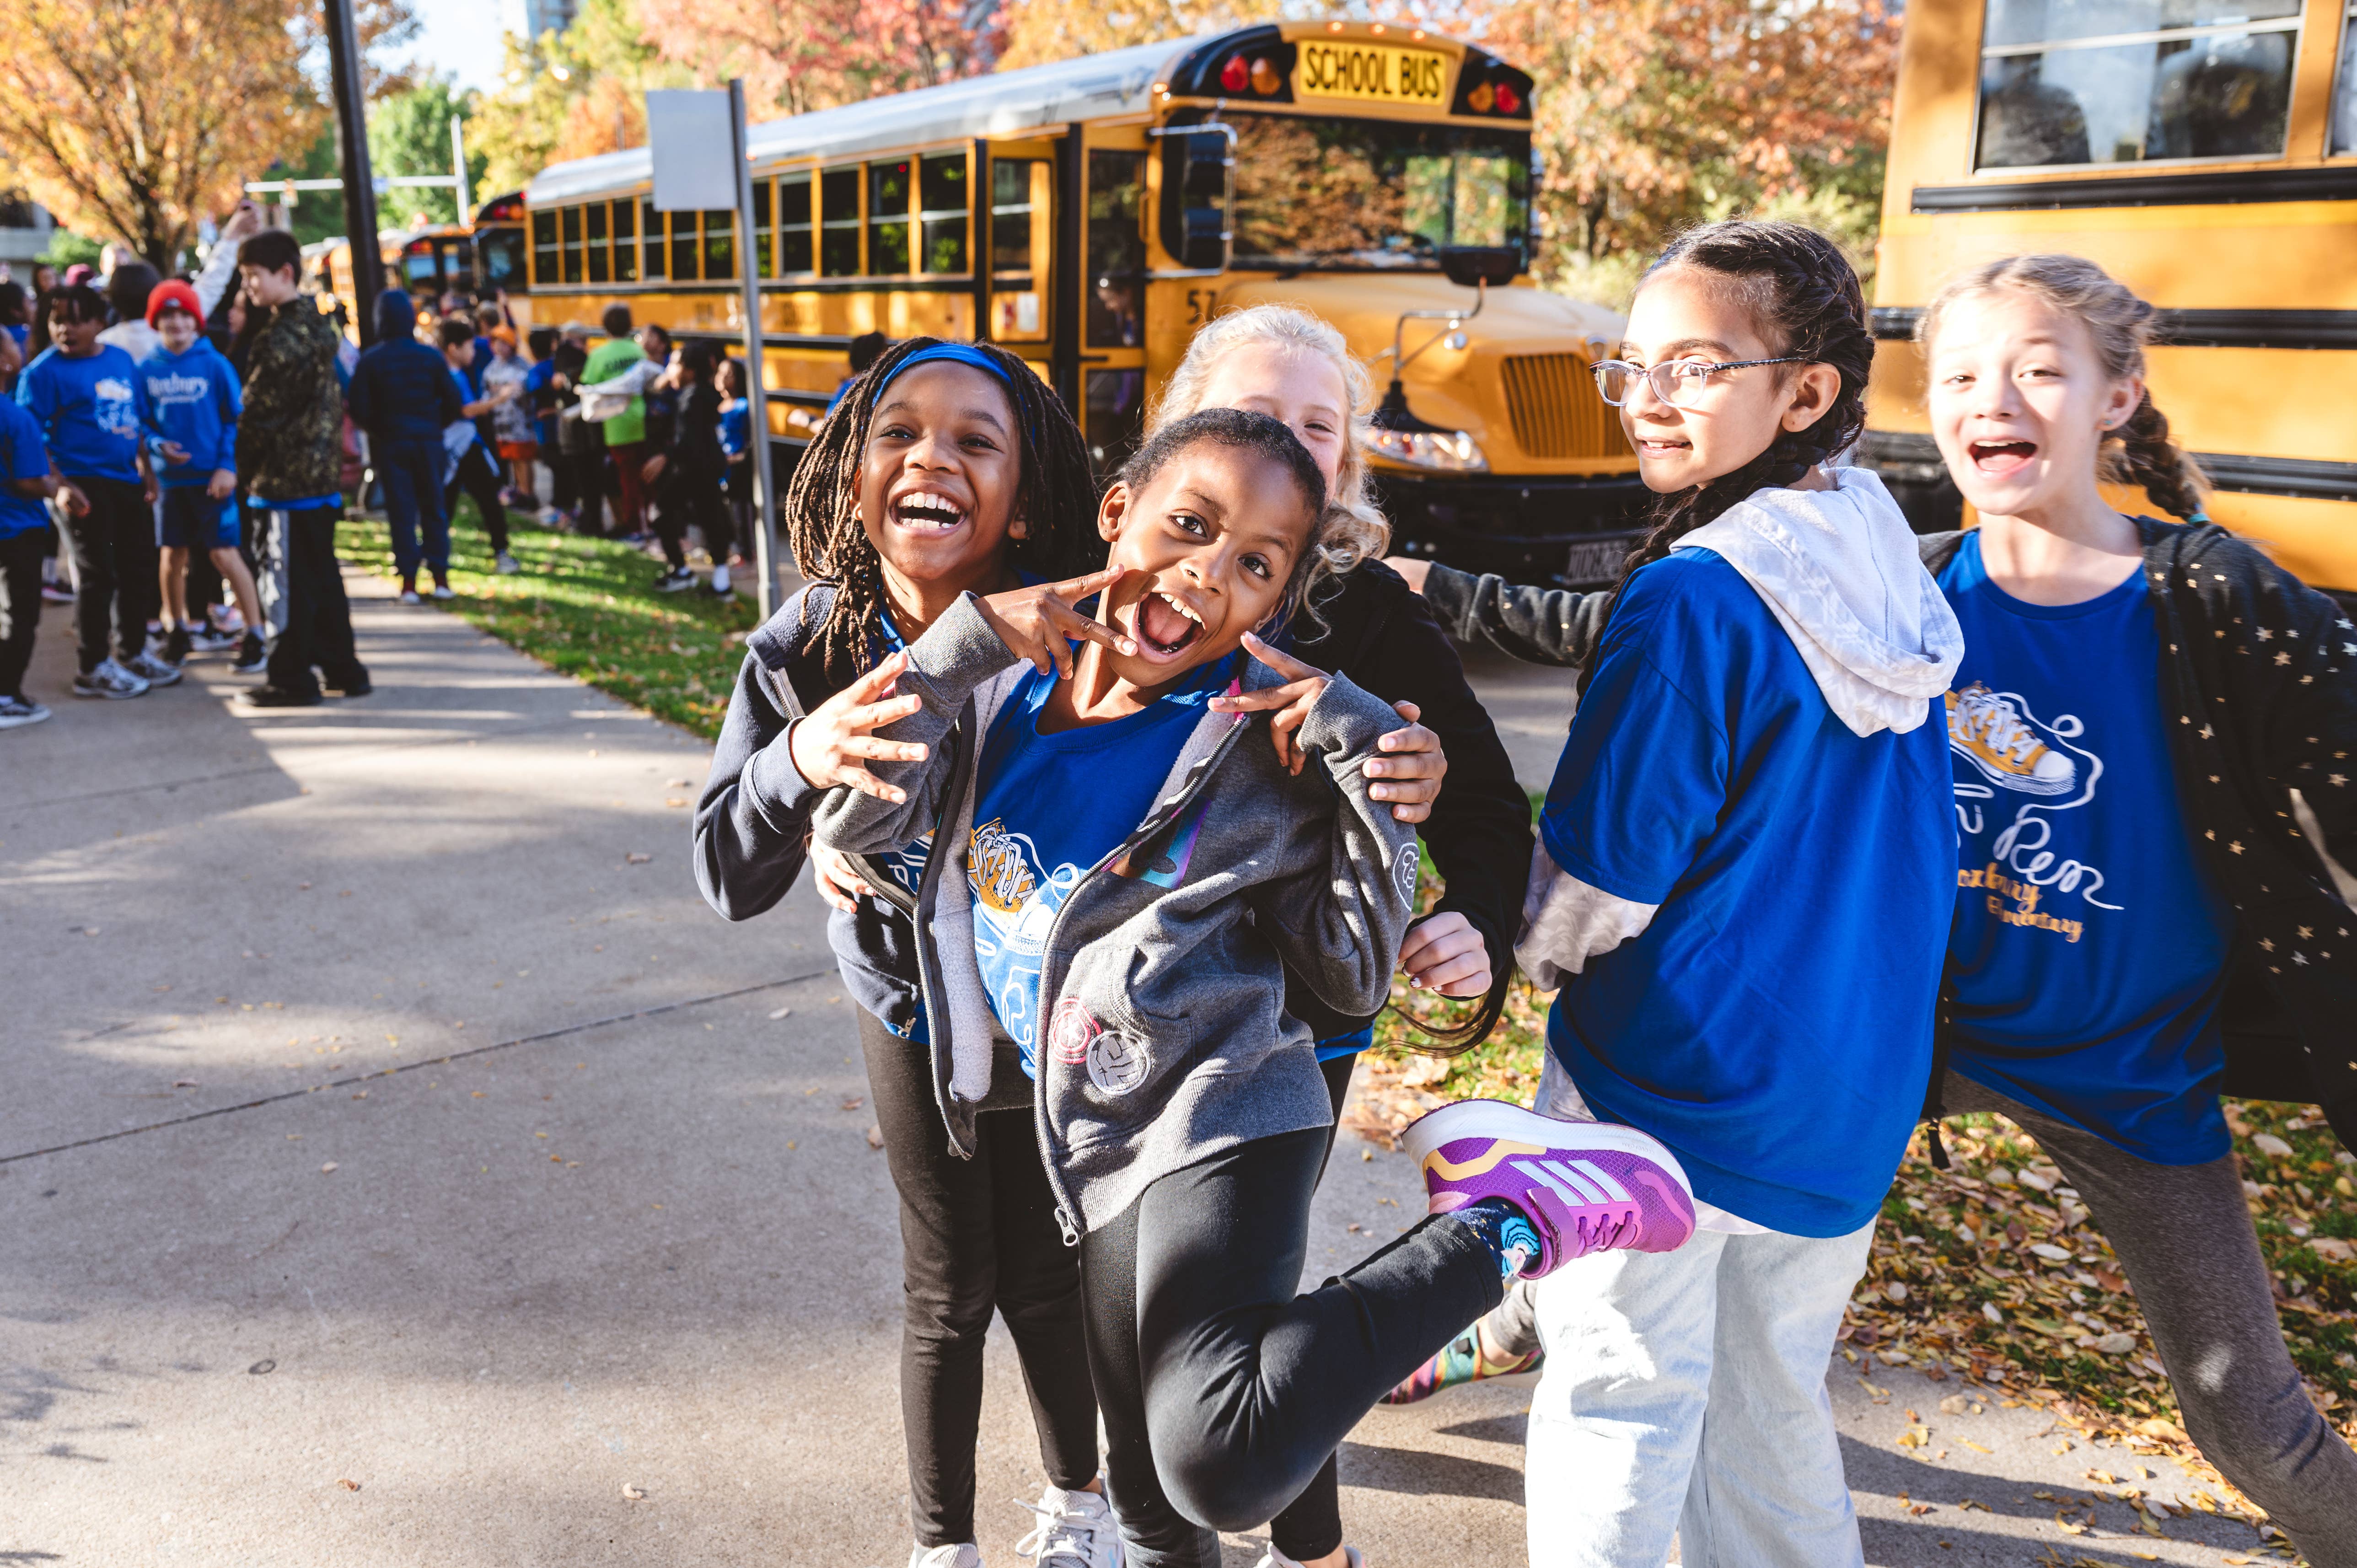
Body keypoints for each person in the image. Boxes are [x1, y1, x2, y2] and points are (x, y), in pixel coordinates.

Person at [812, 403, 1697, 1568]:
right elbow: (861, 826)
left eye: (1255, 565)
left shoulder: (1253, 743)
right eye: (1188, 525)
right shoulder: (1007, 701)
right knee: (1148, 1498)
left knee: (1218, 1456)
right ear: (1117, 514)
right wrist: (968, 637)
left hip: (1225, 1111)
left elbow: (1346, 961)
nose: (1206, 572)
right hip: (1094, 1138)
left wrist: (1362, 762)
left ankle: (1511, 1220)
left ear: (1277, 604)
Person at [1493, 220, 1962, 1568]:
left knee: (1616, 1407)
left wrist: (1523, 950)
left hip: (1664, 1091)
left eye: (1690, 365)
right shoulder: (1878, 552)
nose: (1644, 395)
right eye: (1628, 365)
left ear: (1803, 392)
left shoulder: (1693, 595)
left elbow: (1598, 879)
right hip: (1845, 1093)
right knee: (1769, 1414)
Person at [1914, 253, 2357, 1562]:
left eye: (2040, 368)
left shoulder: (2216, 596)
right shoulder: (1906, 586)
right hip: (1915, 1040)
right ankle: (1519, 1288)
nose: (1994, 397)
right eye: (1960, 375)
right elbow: (1653, 626)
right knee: (1669, 1184)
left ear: (2115, 399)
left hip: (2129, 1071)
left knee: (2251, 1420)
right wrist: (1445, 601)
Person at [697, 339, 1124, 1568]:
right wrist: (800, 760)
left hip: (1055, 1024)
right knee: (948, 1292)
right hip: (911, 1014)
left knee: (1048, 1279)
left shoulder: (1079, 626)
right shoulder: (807, 646)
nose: (930, 455)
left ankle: (1077, 1511)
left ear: (1025, 490)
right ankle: (944, 1547)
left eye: (973, 439)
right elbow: (726, 870)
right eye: (898, 431)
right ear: (849, 468)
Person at [1142, 302, 1536, 1568]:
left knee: (1228, 1324)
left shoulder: (1365, 610)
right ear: (1188, 423)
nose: (1288, 449)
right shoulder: (1125, 565)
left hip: (1289, 1025)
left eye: (1318, 429)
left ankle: (1303, 1550)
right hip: (1115, 1011)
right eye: (1258, 416)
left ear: (1349, 462)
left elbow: (1480, 802)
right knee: (1164, 1324)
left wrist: (1473, 924)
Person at [16, 283, 173, 698]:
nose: (65, 329)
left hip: (126, 481)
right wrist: (61, 486)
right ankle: (92, 667)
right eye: (56, 321)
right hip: (82, 486)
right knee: (96, 575)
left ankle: (134, 651)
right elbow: (32, 439)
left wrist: (149, 472)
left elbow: (135, 420)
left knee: (139, 568)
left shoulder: (121, 360)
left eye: (75, 320)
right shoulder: (42, 374)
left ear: (100, 323)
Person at [235, 227, 369, 707]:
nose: (246, 287)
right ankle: (344, 668)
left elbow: (257, 417)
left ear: (285, 273)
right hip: (321, 479)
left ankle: (290, 677)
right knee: (323, 578)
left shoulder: (280, 339)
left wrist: (239, 468)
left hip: (283, 483)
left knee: (283, 582)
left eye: (253, 277)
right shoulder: (321, 326)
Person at [134, 280, 265, 674]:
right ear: (156, 322)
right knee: (172, 556)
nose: (176, 323)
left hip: (214, 480)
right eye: (167, 315)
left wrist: (228, 465)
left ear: (197, 321)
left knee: (224, 553)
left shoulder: (215, 365)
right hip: (171, 483)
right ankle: (177, 631)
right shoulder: (146, 369)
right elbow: (141, 423)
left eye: (184, 315)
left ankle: (256, 633)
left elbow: (234, 419)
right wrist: (157, 447)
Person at [347, 290, 464, 603]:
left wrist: (379, 429)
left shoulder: (372, 359)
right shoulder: (429, 357)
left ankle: (409, 582)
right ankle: (440, 577)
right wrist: (434, 425)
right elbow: (454, 401)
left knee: (402, 511)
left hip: (393, 442)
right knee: (434, 508)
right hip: (428, 441)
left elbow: (358, 407)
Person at [639, 338, 730, 596]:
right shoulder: (701, 394)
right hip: (706, 468)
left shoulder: (691, 399)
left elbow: (689, 441)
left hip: (694, 469)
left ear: (690, 371)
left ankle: (682, 571)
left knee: (660, 512)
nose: (670, 369)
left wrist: (665, 457)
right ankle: (721, 584)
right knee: (712, 521)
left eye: (675, 365)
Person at [436, 316, 522, 576]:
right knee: (485, 499)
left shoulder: (450, 373)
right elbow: (466, 410)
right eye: (470, 347)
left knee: (447, 504)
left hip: (454, 446)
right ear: (454, 348)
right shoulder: (450, 375)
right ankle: (501, 553)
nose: (474, 353)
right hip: (462, 445)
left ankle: (435, 555)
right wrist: (501, 398)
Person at [0, 377, 57, 726]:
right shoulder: (15, 416)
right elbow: (29, 481)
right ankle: (7, 696)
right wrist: (54, 486)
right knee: (20, 615)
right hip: (17, 528)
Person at [580, 305, 647, 537]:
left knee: (626, 481)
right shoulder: (638, 351)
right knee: (643, 478)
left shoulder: (599, 355)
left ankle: (634, 527)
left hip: (615, 425)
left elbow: (588, 385)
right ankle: (649, 524)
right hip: (641, 418)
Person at [482, 328, 537, 510]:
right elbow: (487, 389)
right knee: (513, 459)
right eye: (496, 342)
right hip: (501, 423)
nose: (500, 347)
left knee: (523, 459)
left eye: (504, 343)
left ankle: (528, 494)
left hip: (520, 422)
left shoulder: (521, 365)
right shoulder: (493, 366)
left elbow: (524, 389)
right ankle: (520, 492)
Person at [523, 325, 569, 523]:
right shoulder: (558, 366)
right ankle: (564, 503)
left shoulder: (536, 372)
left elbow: (535, 390)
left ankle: (560, 504)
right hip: (562, 426)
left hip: (547, 429)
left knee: (556, 467)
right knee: (562, 467)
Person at [717, 355, 752, 566]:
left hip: (738, 470)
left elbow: (752, 440)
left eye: (729, 375)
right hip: (721, 469)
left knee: (741, 515)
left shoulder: (743, 407)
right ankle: (733, 550)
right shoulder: (717, 406)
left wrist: (740, 457)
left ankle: (747, 556)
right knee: (725, 514)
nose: (723, 379)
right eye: (721, 373)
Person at [824, 329, 889, 416]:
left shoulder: (848, 387)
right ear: (876, 357)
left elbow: (830, 419)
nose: (888, 356)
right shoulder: (882, 386)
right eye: (884, 351)